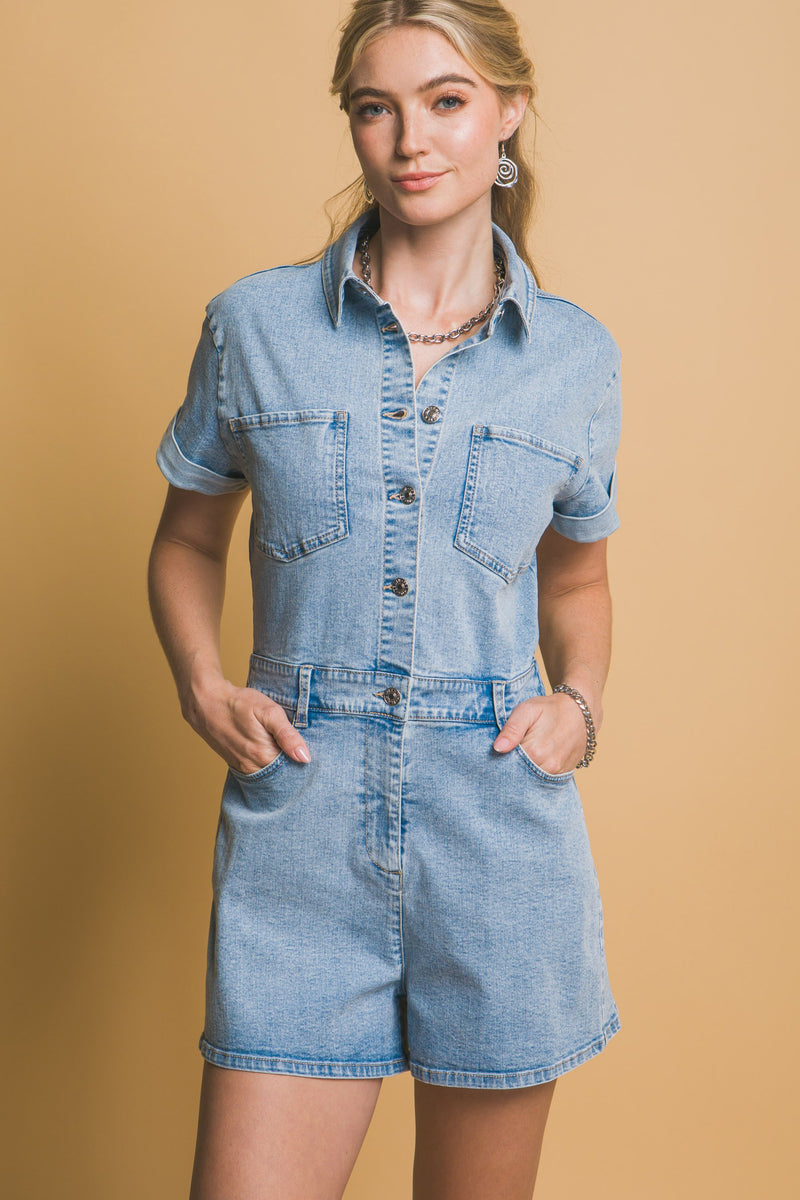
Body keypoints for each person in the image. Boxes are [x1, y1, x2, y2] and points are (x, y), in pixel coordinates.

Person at [148, 1, 623, 1195]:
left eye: (445, 101)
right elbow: (187, 542)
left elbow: (577, 573)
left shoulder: (573, 356)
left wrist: (577, 705)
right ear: (352, 125)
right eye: (376, 108)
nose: (410, 139)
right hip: (299, 828)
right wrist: (204, 686)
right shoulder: (254, 325)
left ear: (507, 113)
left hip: (498, 832)